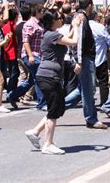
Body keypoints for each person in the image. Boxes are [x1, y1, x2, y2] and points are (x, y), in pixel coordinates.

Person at [25, 10, 80, 154]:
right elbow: (73, 42)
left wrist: (73, 28)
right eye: (59, 18)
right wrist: (76, 26)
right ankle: (48, 144)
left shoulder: (52, 35)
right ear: (52, 21)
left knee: (56, 108)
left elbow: (67, 38)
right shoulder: (52, 35)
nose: (61, 20)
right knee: (54, 111)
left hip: (50, 76)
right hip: (49, 76)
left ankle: (35, 132)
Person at [65, 0, 107, 129]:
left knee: (82, 89)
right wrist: (79, 61)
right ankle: (91, 119)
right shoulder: (81, 18)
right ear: (90, 5)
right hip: (84, 58)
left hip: (84, 58)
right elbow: (79, 41)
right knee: (88, 90)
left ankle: (57, 107)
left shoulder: (78, 16)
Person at [7, 4, 46, 110]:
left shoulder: (39, 23)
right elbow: (26, 41)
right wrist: (30, 56)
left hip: (38, 54)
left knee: (32, 80)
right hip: (31, 55)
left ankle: (12, 95)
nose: (43, 13)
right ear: (37, 12)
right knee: (39, 77)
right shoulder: (30, 24)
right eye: (42, 11)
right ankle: (42, 103)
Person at [89, 10, 110, 106]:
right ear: (95, 17)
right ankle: (104, 103)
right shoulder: (99, 27)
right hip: (100, 58)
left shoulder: (83, 26)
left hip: (88, 58)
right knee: (103, 82)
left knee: (89, 83)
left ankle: (89, 103)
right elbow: (109, 40)